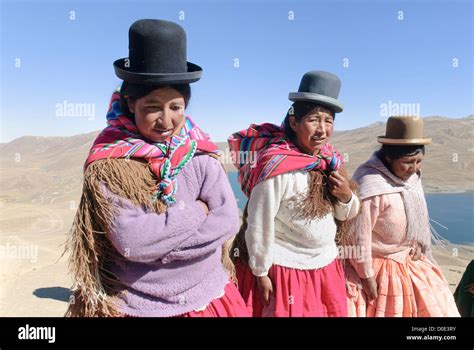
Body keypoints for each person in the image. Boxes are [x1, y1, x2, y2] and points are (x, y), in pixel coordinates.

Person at [65, 19, 248, 317]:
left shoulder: (199, 155)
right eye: (153, 107)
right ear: (130, 102)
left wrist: (160, 247)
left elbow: (227, 221)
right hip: (140, 303)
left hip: (206, 293)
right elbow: (132, 242)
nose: (166, 120)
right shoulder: (111, 166)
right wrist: (196, 212)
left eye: (175, 107)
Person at [228, 71, 360, 317]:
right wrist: (261, 272)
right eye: (313, 120)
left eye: (328, 121)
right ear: (293, 122)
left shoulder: (330, 160)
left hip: (325, 265)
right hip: (287, 269)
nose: (322, 130)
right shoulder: (277, 166)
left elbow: (344, 215)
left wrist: (345, 196)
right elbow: (259, 222)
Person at [345, 116, 460, 317]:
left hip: (409, 260)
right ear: (389, 157)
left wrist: (417, 243)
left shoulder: (412, 179)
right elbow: (356, 237)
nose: (414, 168)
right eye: (408, 162)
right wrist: (367, 276)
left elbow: (417, 221)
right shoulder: (370, 185)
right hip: (377, 267)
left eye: (418, 161)